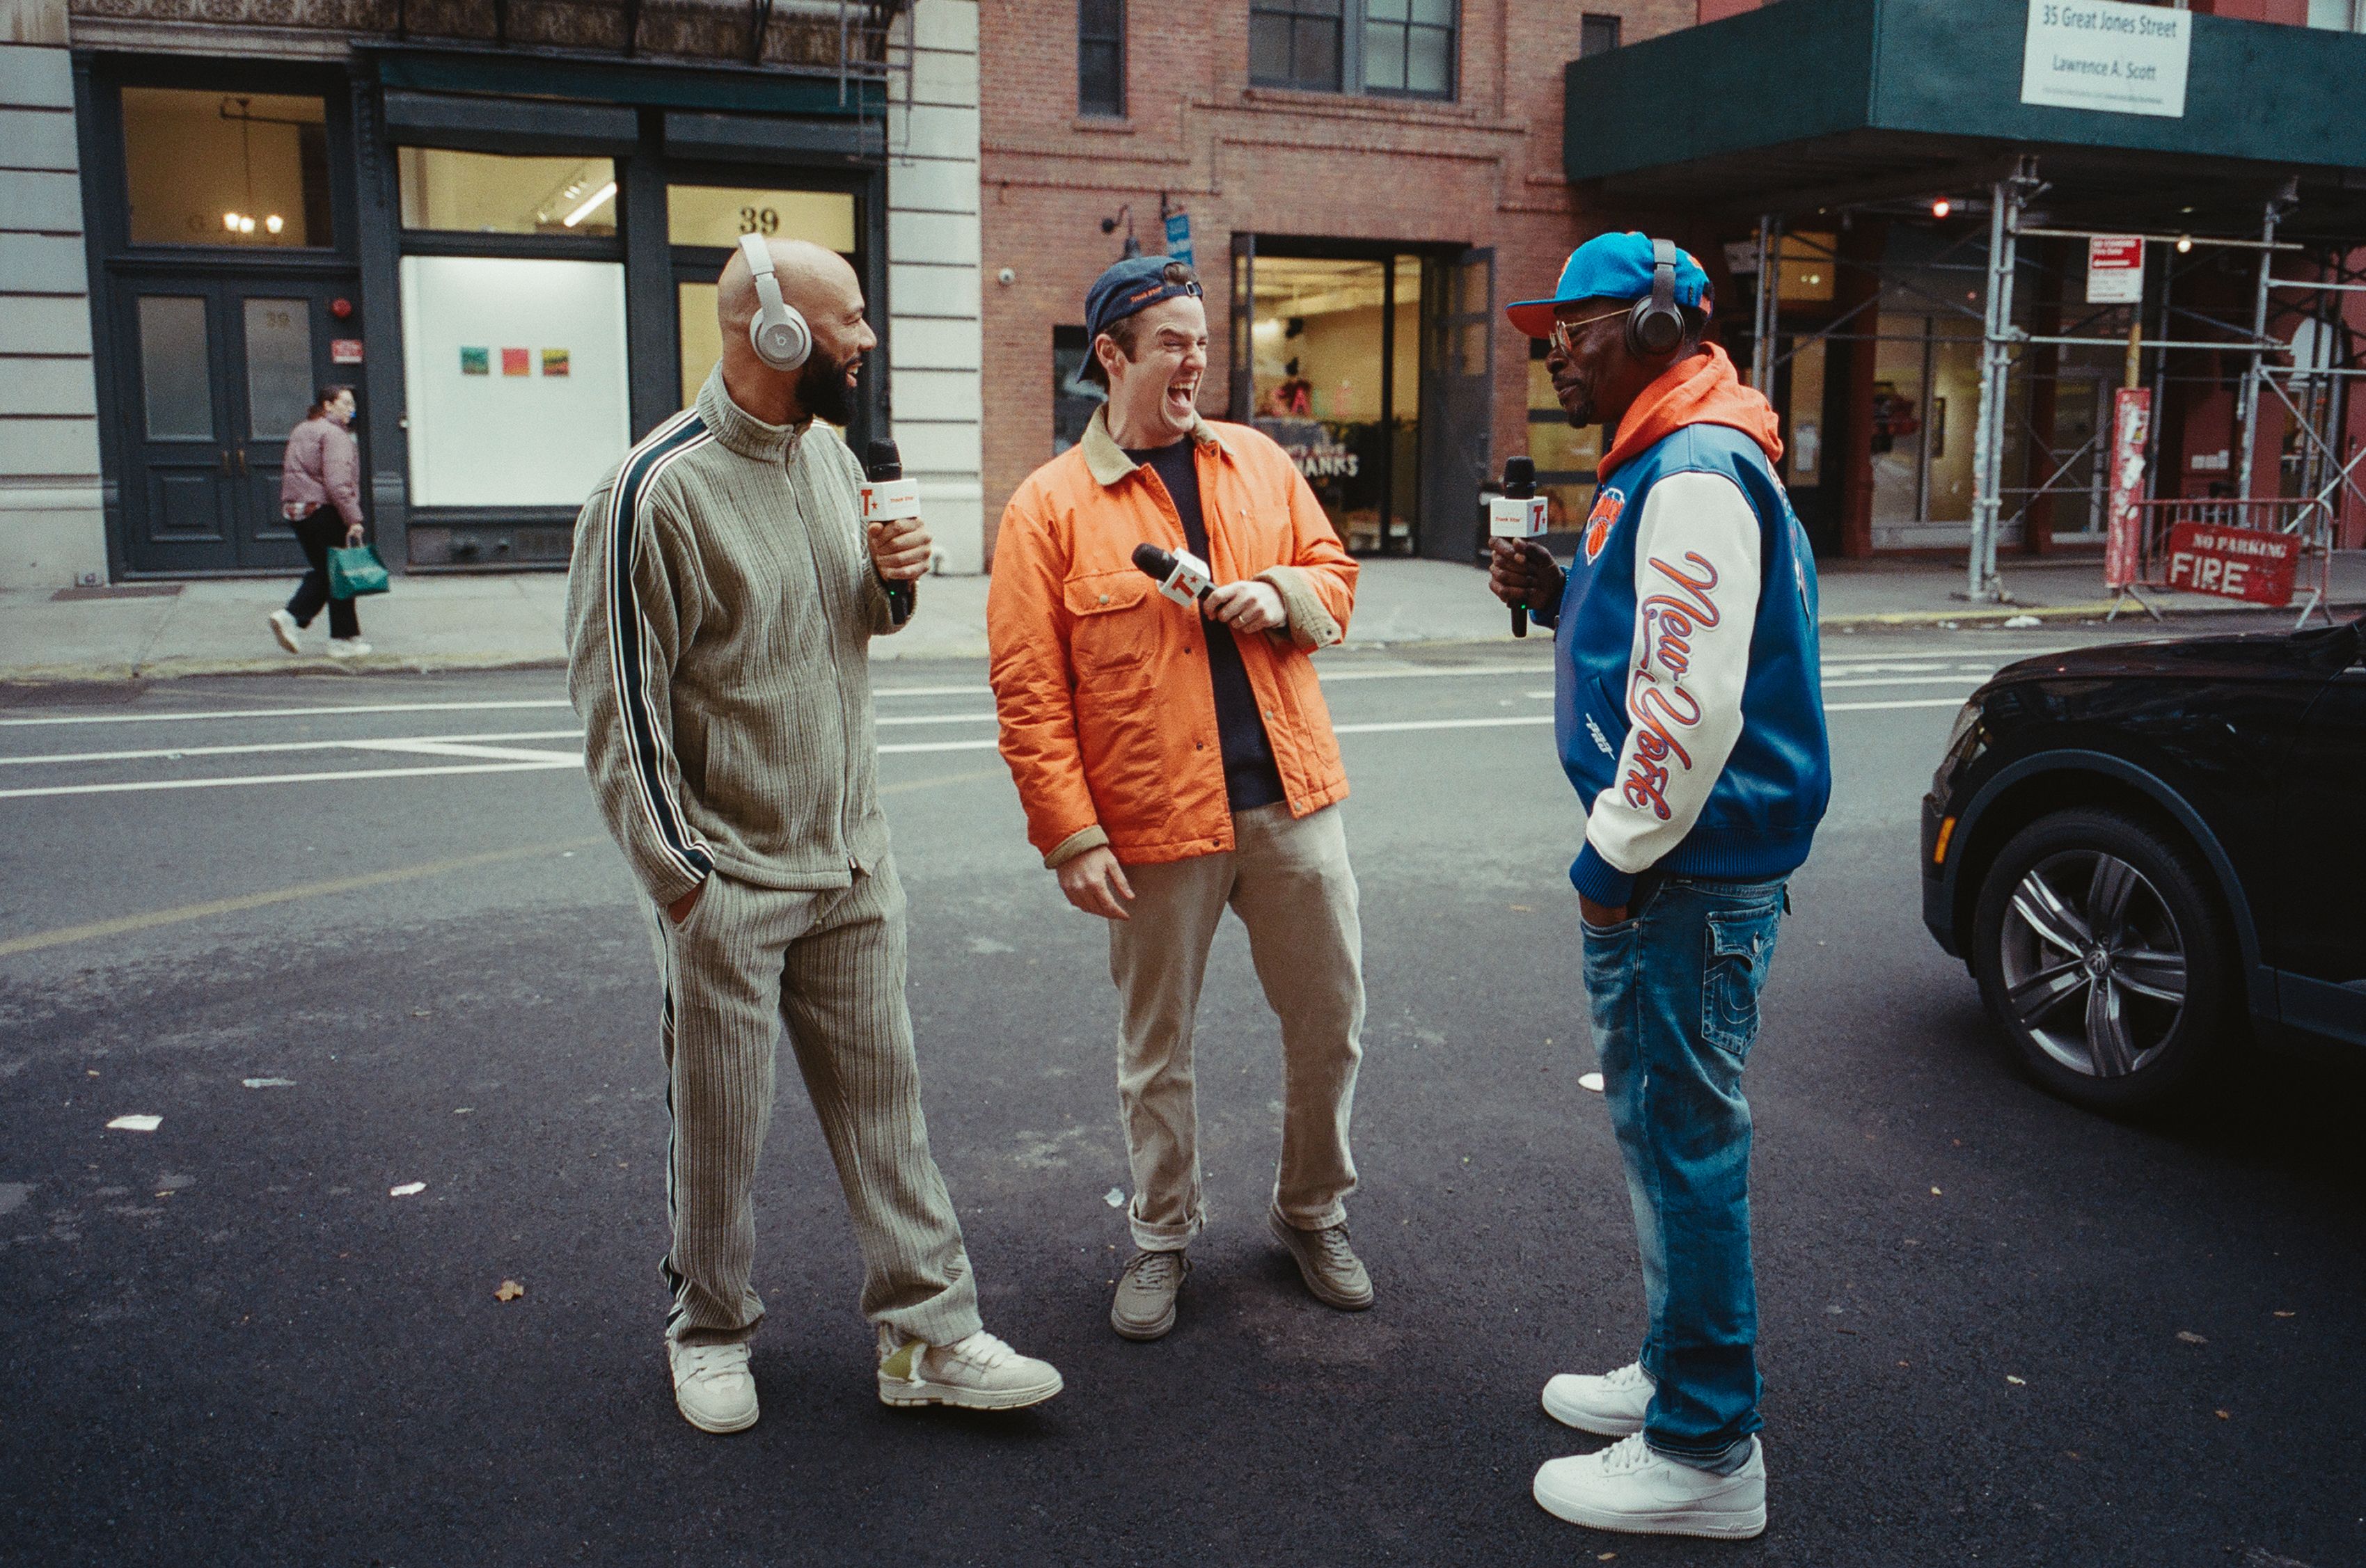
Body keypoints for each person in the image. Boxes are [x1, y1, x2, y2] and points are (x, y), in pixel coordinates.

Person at [564, 237, 1061, 1435]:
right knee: (719, 1131)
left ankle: (927, 1336)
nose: (868, 343)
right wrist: (689, 884)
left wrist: (893, 583)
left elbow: (849, 629)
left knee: (890, 1116)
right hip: (731, 881)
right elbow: (618, 718)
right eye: (849, 321)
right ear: (774, 333)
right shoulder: (651, 491)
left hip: (850, 865)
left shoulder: (832, 463)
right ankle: (711, 1326)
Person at [1488, 232, 1831, 1540]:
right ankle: (1678, 1369)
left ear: (1647, 321)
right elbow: (1676, 638)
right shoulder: (1679, 451)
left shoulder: (1685, 467)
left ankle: (1701, 1446)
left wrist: (1606, 861)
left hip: (1679, 873)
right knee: (1662, 1130)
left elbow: (1685, 706)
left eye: (1570, 326)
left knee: (1683, 1142)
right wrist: (1568, 586)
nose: (1552, 351)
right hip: (1691, 868)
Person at [986, 255, 1368, 1343]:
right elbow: (1028, 691)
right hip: (1156, 822)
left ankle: (1310, 1212)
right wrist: (1068, 834)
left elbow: (1334, 573)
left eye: (1204, 340)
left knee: (1329, 1021)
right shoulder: (1049, 508)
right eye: (1171, 342)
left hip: (1292, 800)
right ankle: (1161, 1236)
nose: (1196, 360)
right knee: (1157, 1046)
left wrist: (1281, 594)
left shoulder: (1253, 461)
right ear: (1109, 357)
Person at [268, 384, 370, 658]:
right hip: (324, 510)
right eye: (346, 404)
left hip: (298, 510)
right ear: (328, 405)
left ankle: (345, 636)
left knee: (330, 572)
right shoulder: (335, 435)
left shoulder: (302, 429)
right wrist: (354, 518)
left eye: (352, 405)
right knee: (337, 572)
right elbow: (338, 484)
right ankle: (302, 621)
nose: (352, 410)